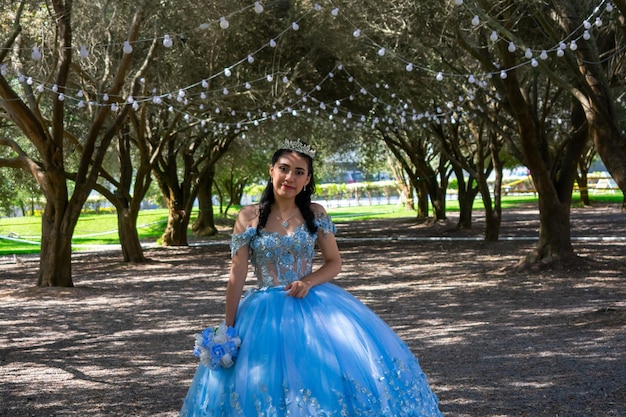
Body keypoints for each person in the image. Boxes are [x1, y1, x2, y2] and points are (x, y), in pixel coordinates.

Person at [180, 139, 443, 417]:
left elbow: (334, 263)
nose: (290, 177)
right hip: (262, 312)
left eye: (299, 172)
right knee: (261, 381)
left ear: (307, 179)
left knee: (322, 375)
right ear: (271, 171)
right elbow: (238, 273)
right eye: (284, 169)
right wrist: (229, 330)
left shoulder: (316, 213)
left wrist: (308, 281)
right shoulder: (248, 216)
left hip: (314, 304)